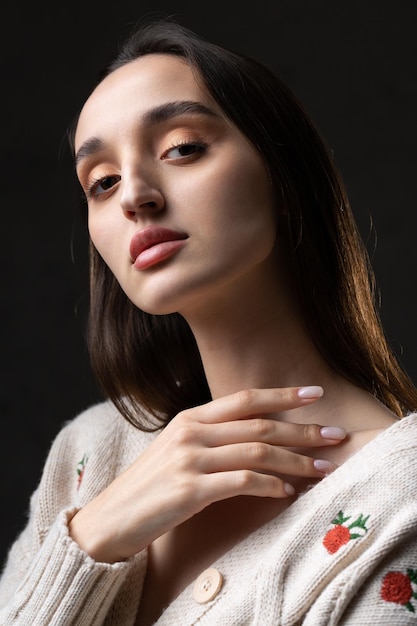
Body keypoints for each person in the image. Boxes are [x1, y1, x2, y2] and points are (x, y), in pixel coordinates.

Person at [1, 17, 417, 626]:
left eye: (181, 148)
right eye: (101, 182)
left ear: (283, 176)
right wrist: (92, 539)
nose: (133, 195)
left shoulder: (399, 503)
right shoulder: (89, 455)